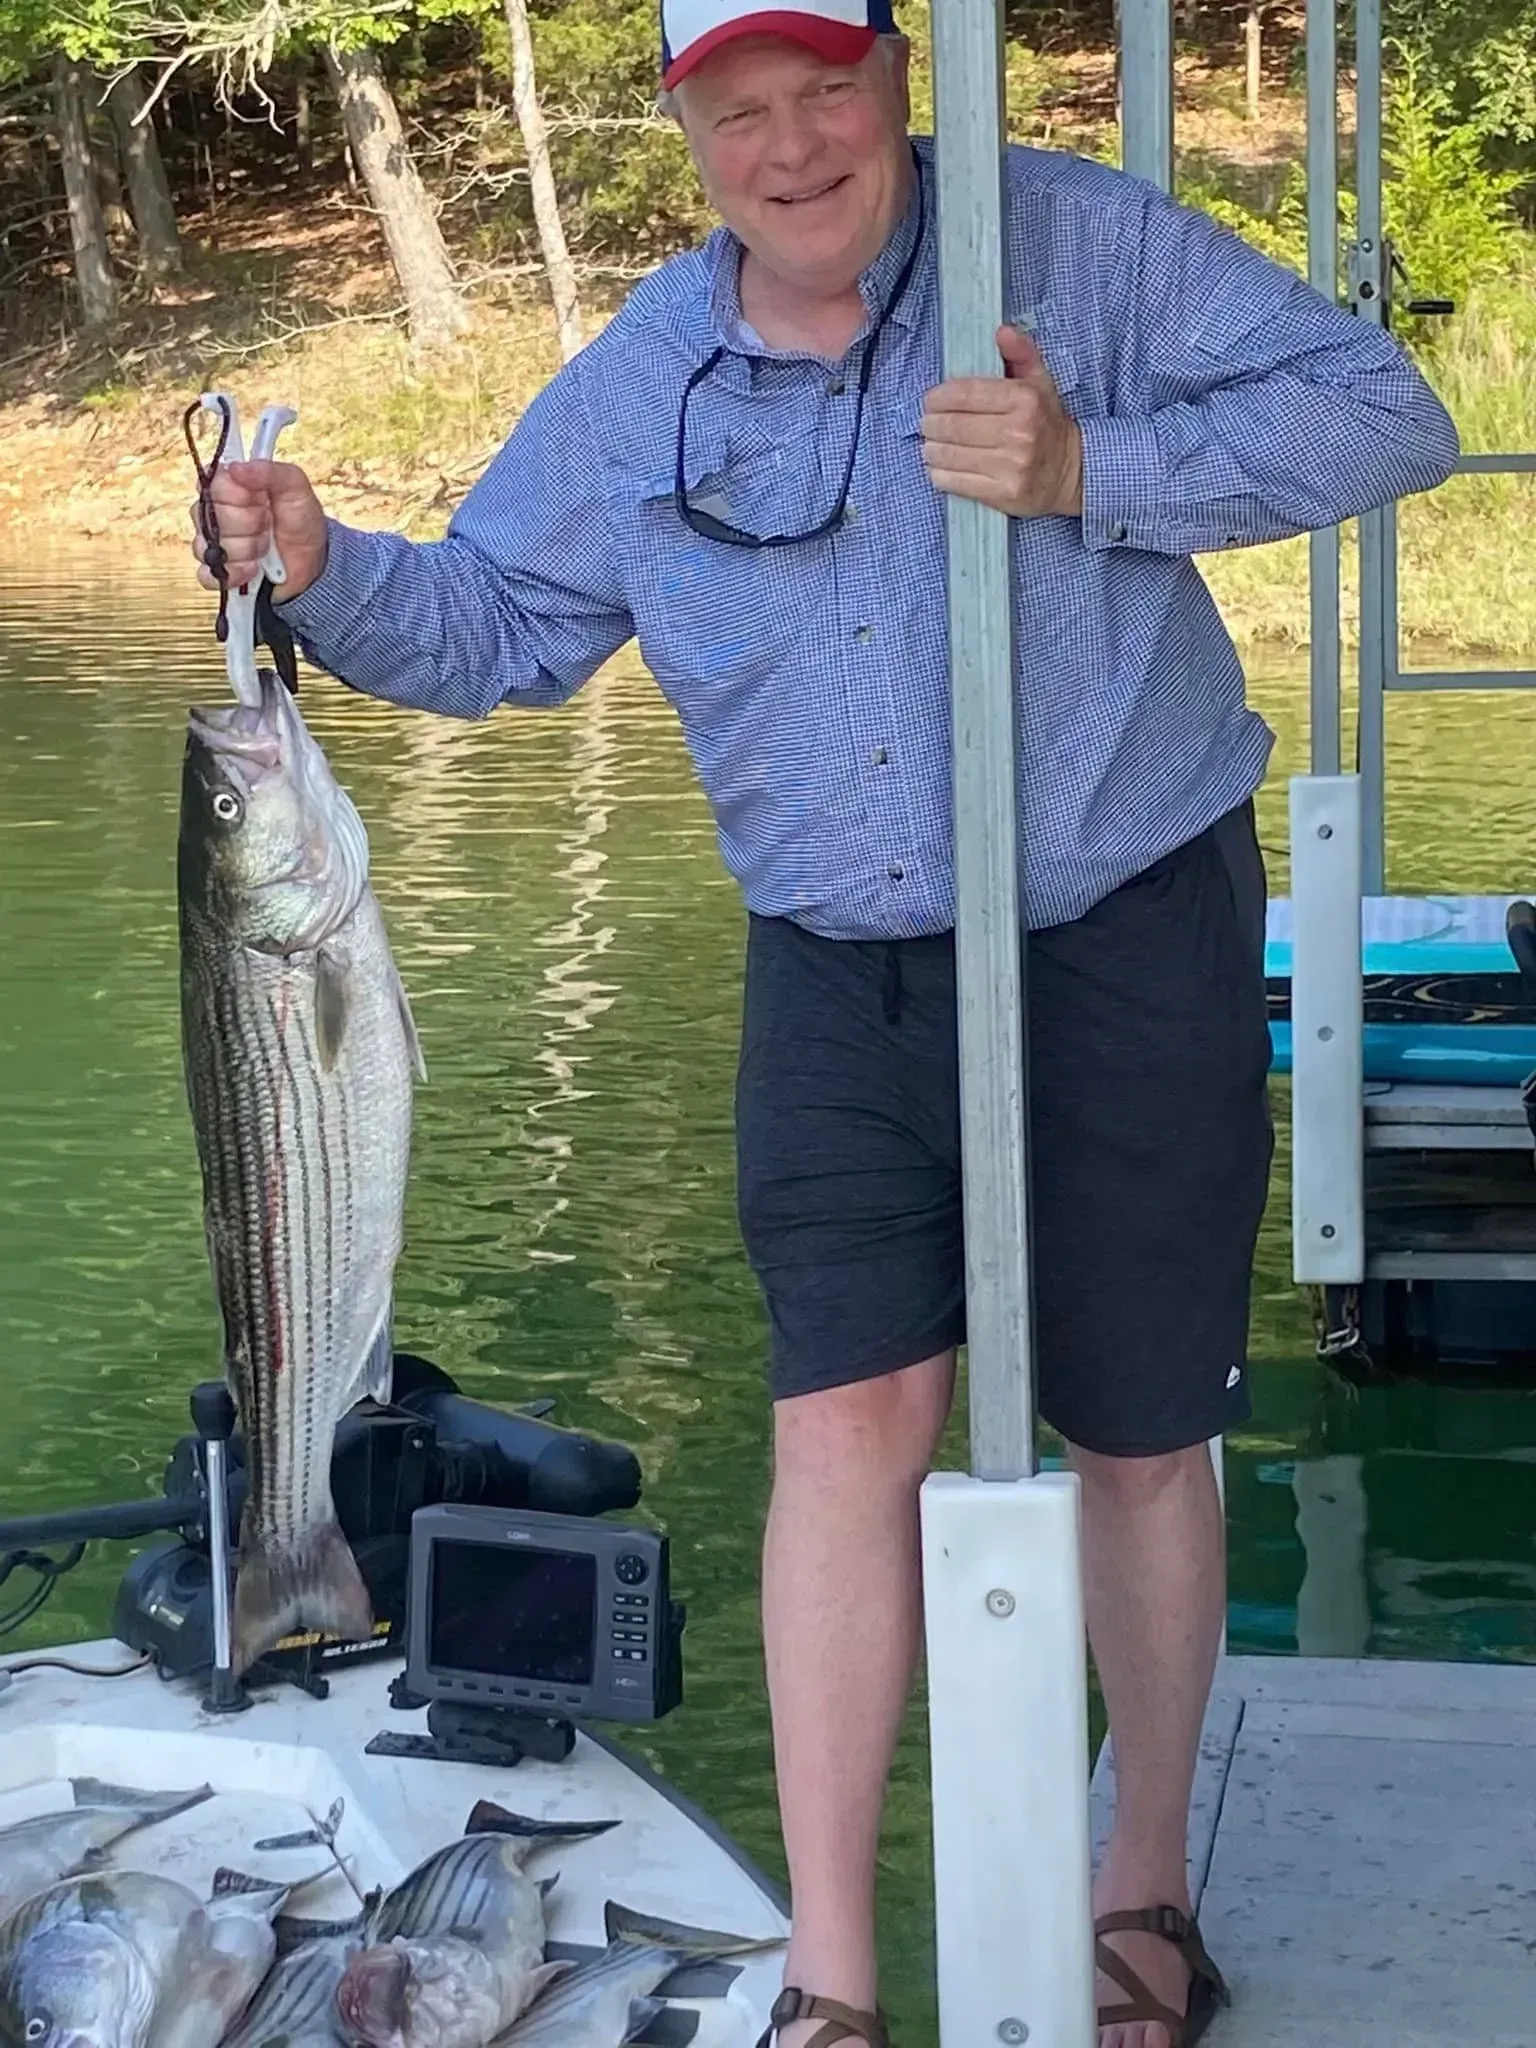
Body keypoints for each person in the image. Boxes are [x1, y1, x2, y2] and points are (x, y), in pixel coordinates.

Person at [190, 6, 1459, 2043]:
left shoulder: (1084, 250)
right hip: (835, 960)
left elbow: (1385, 411)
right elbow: (502, 626)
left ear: (898, 83)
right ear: (686, 128)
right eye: (739, 109)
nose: (791, 148)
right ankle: (831, 1980)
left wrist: (1090, 464)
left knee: (1140, 1436)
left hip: (1127, 913)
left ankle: (1145, 1895)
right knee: (839, 1428)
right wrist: (329, 569)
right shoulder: (644, 382)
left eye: (828, 92)